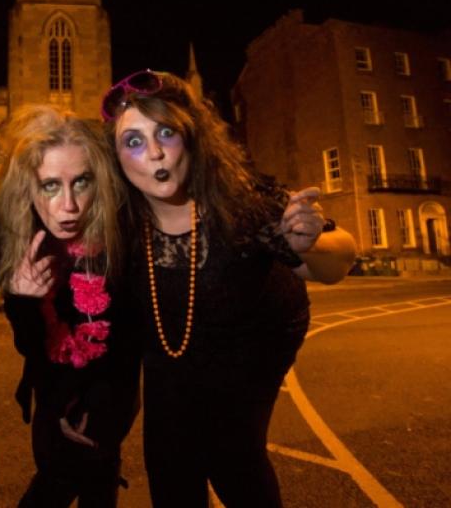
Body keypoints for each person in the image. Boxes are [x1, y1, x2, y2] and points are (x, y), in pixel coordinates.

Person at [100, 70, 357, 507]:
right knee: (168, 460)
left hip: (254, 337)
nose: (156, 152)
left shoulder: (238, 204)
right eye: (134, 141)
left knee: (231, 451)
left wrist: (310, 243)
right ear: (117, 157)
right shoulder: (118, 223)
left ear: (193, 138)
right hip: (171, 347)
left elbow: (339, 259)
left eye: (166, 132)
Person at [0, 105, 140, 507]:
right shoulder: (17, 240)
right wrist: (24, 301)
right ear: (28, 189)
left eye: (82, 182)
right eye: (51, 186)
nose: (69, 206)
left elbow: (128, 341)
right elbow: (31, 347)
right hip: (52, 393)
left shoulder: (122, 238)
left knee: (96, 476)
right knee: (57, 476)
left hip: (109, 396)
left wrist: (100, 406)